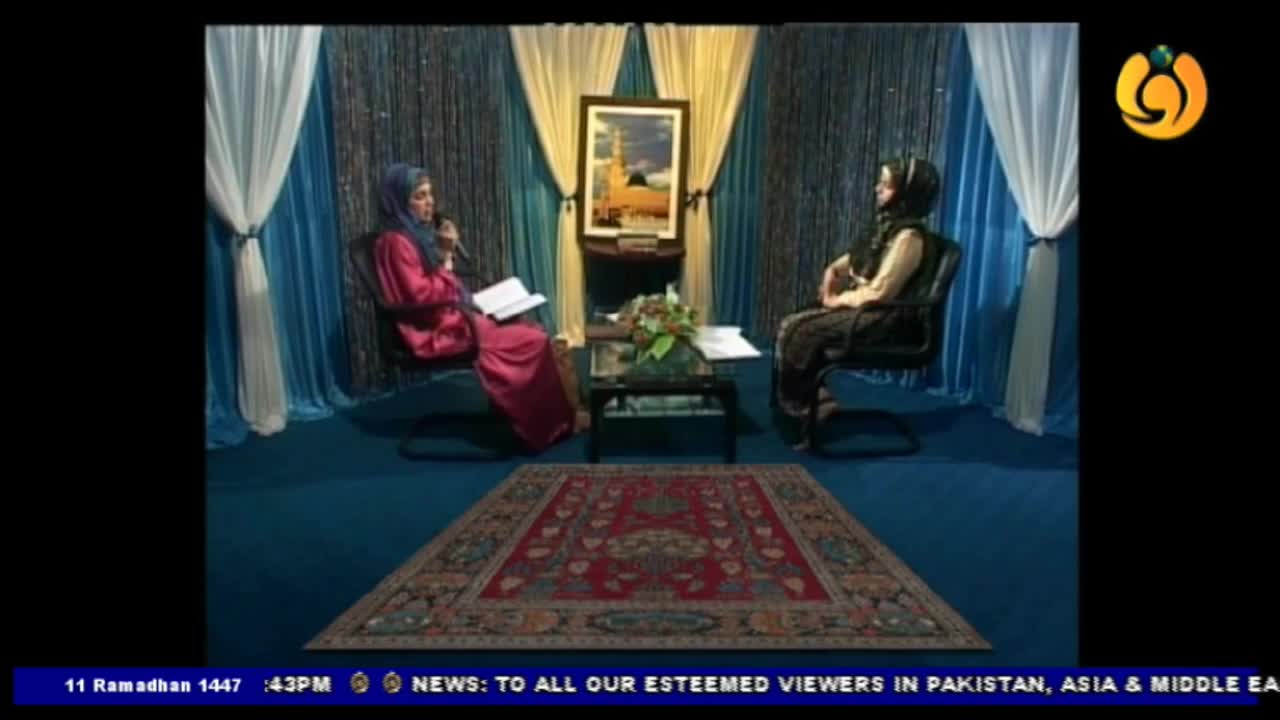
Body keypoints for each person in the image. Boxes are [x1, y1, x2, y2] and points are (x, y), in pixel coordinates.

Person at [372, 162, 586, 453]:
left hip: (450, 317)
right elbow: (422, 301)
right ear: (398, 200)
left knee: (530, 328)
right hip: (432, 330)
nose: (430, 202)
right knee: (532, 341)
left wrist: (443, 257)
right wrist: (446, 257)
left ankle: (554, 415)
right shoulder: (396, 243)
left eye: (430, 194)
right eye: (419, 196)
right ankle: (542, 426)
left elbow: (432, 285)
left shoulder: (413, 236)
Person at [774, 156, 942, 446]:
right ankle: (815, 401)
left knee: (804, 331)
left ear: (907, 193)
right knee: (793, 320)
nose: (877, 188)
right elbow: (856, 258)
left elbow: (879, 292)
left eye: (886, 185)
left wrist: (836, 300)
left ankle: (804, 410)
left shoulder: (909, 237)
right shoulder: (887, 227)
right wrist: (832, 272)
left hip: (886, 320)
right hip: (868, 310)